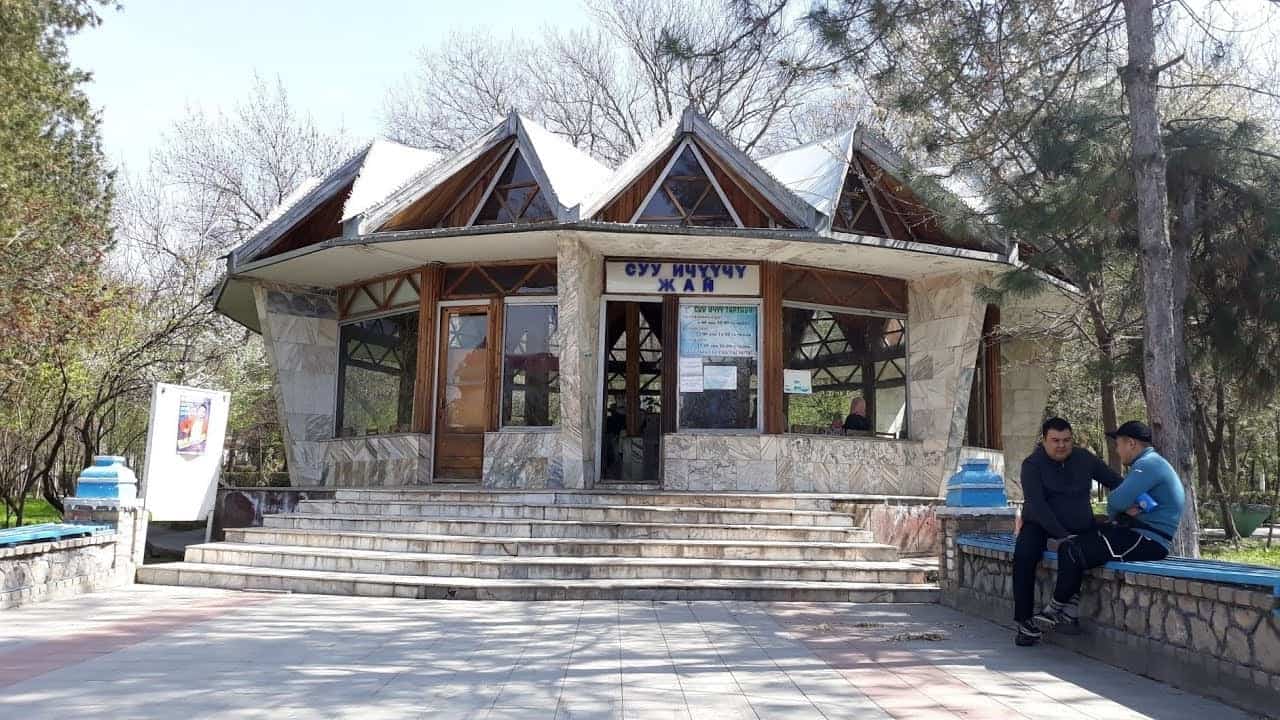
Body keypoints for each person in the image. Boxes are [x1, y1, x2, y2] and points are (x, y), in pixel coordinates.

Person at [1033, 420, 1185, 634]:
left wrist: (1116, 513)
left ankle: (1054, 610)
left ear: (1131, 443)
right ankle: (1070, 612)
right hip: (1141, 535)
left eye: (1119, 444)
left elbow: (1116, 500)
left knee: (1073, 550)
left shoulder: (1148, 464)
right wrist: (1121, 512)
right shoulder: (1152, 463)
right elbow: (1123, 501)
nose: (1117, 450)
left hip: (1147, 539)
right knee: (1075, 544)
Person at [1013, 417, 1123, 646]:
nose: (1061, 445)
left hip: (1081, 525)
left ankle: (1065, 609)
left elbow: (1116, 482)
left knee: (1101, 543)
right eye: (1055, 440)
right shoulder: (1032, 465)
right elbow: (1038, 505)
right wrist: (1062, 535)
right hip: (1040, 525)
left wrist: (1140, 499)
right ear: (1044, 440)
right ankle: (1024, 622)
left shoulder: (1085, 459)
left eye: (1066, 440)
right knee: (1024, 555)